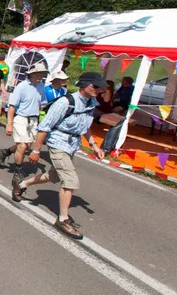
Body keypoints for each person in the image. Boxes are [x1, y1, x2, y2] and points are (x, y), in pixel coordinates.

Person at [12, 73, 107, 239]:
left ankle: (22, 184)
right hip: (58, 142)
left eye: (100, 87)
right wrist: (36, 150)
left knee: (54, 176)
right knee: (70, 180)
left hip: (72, 144)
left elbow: (85, 127)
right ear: (85, 85)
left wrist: (94, 146)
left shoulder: (92, 103)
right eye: (95, 86)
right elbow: (45, 126)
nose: (98, 90)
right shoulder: (66, 102)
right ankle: (62, 219)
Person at [0, 64, 48, 178]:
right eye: (38, 73)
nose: (40, 76)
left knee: (27, 146)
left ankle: (5, 152)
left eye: (42, 74)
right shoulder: (22, 86)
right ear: (31, 73)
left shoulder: (41, 86)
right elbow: (12, 106)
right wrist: (9, 124)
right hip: (21, 118)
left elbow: (43, 103)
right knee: (23, 146)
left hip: (33, 119)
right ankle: (18, 171)